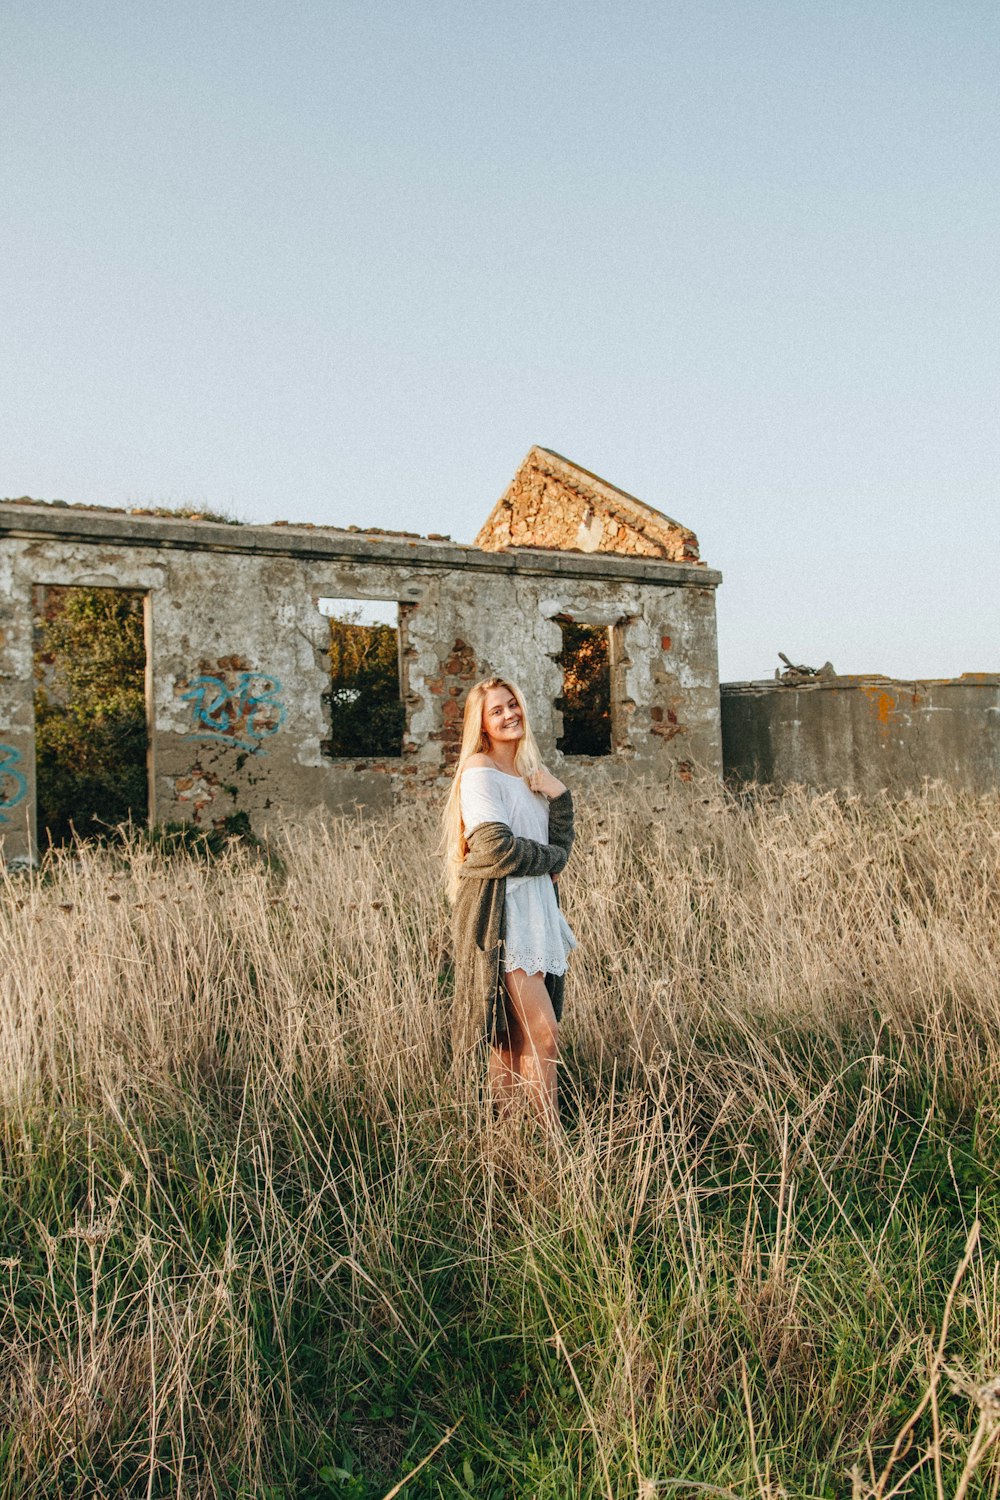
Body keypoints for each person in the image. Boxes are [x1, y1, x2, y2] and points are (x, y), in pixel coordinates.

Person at [442, 676, 577, 1127]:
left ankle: (512, 1139)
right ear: (481, 724)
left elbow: (556, 849)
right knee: (543, 1032)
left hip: (537, 908)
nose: (509, 714)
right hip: (502, 912)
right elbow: (497, 849)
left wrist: (560, 798)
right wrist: (553, 858)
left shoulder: (529, 773)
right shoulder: (479, 770)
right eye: (496, 710)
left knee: (515, 1035)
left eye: (513, 704)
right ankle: (553, 1143)